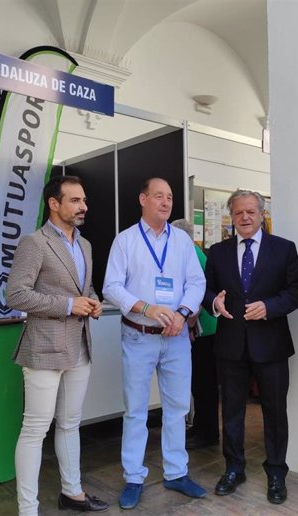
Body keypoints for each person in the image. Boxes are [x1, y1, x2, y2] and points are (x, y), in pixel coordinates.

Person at [6, 175, 108, 514]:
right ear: (54, 203)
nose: (84, 207)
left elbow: (85, 288)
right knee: (35, 429)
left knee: (70, 423)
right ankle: (27, 509)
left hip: (80, 345)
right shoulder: (34, 242)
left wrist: (92, 301)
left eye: (84, 201)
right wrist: (68, 305)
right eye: (75, 200)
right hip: (44, 347)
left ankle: (72, 492)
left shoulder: (86, 244)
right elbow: (15, 295)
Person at [103, 178, 207, 510]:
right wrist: (146, 307)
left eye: (170, 197)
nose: (165, 202)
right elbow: (111, 287)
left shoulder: (182, 241)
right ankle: (134, 476)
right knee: (135, 410)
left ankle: (177, 472)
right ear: (143, 199)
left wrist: (182, 313)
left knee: (177, 408)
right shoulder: (126, 241)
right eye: (159, 196)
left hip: (176, 337)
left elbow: (196, 282)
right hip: (139, 335)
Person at [203, 189, 298, 505]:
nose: (245, 218)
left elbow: (297, 290)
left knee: (275, 412)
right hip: (230, 346)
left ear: (261, 214)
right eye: (238, 213)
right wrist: (213, 302)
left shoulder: (283, 249)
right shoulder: (217, 252)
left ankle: (276, 472)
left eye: (250, 212)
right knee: (231, 412)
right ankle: (234, 468)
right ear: (231, 217)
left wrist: (270, 307)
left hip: (271, 345)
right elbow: (204, 290)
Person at [171, 218, 219, 450]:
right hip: (202, 329)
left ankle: (208, 434)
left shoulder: (192, 255)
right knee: (198, 384)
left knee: (204, 384)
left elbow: (197, 296)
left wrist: (189, 326)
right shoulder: (195, 253)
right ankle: (200, 428)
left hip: (204, 331)